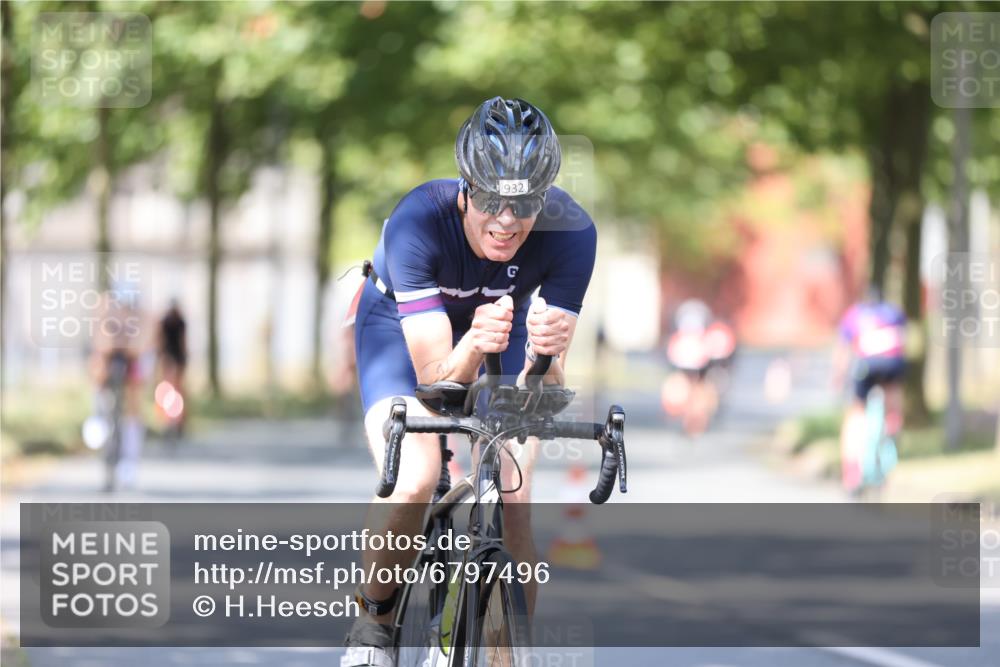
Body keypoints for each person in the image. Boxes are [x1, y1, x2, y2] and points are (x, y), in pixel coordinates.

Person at [342, 97, 596, 666]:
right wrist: (470, 346)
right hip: (400, 334)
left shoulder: (572, 233)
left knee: (514, 494)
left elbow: (545, 391)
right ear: (465, 190)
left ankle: (509, 656)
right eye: (490, 201)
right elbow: (437, 382)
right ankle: (372, 628)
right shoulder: (419, 219)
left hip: (499, 329)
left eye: (526, 203)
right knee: (415, 474)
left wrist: (547, 357)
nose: (507, 221)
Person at [831, 286, 906, 494]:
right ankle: (892, 428)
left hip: (866, 366)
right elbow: (902, 341)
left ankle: (852, 474)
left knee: (856, 414)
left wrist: (838, 376)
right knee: (893, 398)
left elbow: (843, 351)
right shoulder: (895, 313)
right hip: (893, 365)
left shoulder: (855, 314)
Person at [88, 282, 151, 490]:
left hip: (130, 360)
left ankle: (130, 458)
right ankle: (97, 416)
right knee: (99, 379)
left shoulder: (139, 315)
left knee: (133, 406)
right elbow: (99, 340)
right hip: (108, 359)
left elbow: (142, 342)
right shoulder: (105, 308)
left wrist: (133, 348)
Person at [156, 299, 188, 435]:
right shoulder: (171, 322)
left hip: (173, 357)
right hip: (170, 357)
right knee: (171, 389)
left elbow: (181, 341)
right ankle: (170, 420)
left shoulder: (178, 322)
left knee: (174, 389)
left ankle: (175, 420)